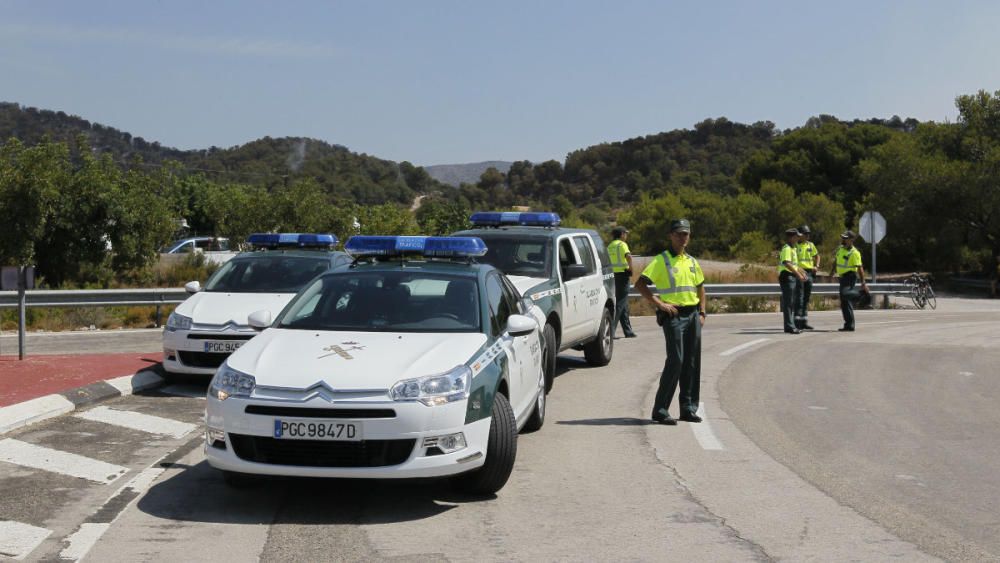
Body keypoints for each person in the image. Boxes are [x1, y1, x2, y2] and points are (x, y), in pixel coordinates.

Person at [635, 219, 706, 425]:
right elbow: (640, 284)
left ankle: (688, 408)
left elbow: (701, 288)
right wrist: (659, 304)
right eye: (678, 234)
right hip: (673, 315)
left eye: (686, 234)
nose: (682, 237)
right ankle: (660, 409)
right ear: (671, 236)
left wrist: (702, 312)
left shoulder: (692, 261)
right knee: (676, 360)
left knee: (692, 363)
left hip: (693, 314)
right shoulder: (662, 260)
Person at [831, 230, 868, 331]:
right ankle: (849, 325)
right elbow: (836, 261)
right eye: (843, 238)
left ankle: (861, 295)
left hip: (850, 276)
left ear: (851, 240)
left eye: (846, 238)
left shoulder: (855, 253)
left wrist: (863, 282)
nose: (843, 239)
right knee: (844, 302)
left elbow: (860, 268)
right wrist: (832, 273)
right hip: (842, 277)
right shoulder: (840, 249)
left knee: (844, 295)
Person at [607, 226, 637, 338]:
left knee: (623, 304)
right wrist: (631, 269)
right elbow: (628, 257)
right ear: (621, 234)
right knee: (620, 303)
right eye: (626, 233)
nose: (626, 235)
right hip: (623, 275)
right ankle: (610, 331)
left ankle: (628, 331)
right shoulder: (622, 245)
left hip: (613, 276)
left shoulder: (610, 246)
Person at [778, 228, 807, 334]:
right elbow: (787, 263)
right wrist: (798, 274)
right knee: (788, 303)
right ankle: (790, 326)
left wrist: (801, 270)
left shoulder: (793, 248)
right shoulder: (787, 249)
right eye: (796, 236)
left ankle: (789, 326)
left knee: (790, 302)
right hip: (787, 276)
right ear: (791, 237)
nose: (798, 238)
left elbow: (794, 264)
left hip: (791, 277)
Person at [795, 225, 820, 330]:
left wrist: (817, 266)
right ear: (800, 235)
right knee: (799, 298)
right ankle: (797, 322)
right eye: (805, 234)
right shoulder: (795, 246)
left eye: (808, 234)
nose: (807, 236)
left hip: (809, 273)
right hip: (800, 273)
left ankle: (804, 321)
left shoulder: (810, 245)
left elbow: (817, 255)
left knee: (806, 298)